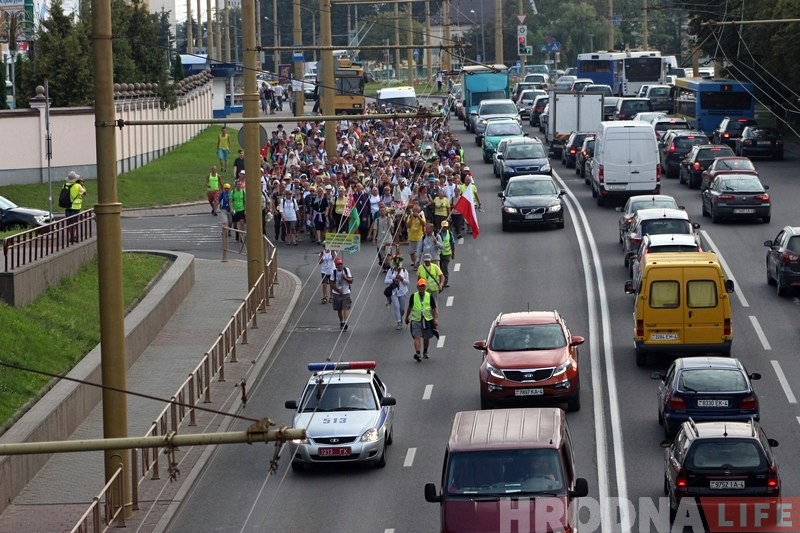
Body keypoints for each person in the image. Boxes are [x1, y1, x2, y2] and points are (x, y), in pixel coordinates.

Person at [404, 278, 438, 362]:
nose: (422, 288)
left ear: (426, 287)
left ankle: (425, 352)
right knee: (417, 337)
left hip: (427, 320)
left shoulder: (429, 296)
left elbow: (434, 309)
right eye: (420, 286)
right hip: (416, 320)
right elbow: (409, 308)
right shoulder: (413, 296)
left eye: (423, 286)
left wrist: (435, 319)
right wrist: (406, 317)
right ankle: (418, 353)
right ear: (417, 287)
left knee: (426, 337)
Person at [384, 255, 409, 330]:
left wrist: (402, 279)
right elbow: (386, 281)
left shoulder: (404, 271)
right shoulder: (390, 271)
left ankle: (400, 317)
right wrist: (393, 280)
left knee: (402, 309)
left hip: (402, 291)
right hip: (393, 292)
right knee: (396, 306)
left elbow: (407, 282)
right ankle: (399, 322)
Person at [330, 256, 353, 330]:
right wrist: (339, 291)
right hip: (337, 294)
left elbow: (351, 281)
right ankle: (341, 321)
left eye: (341, 264)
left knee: (345, 307)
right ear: (336, 265)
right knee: (339, 309)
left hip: (346, 292)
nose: (340, 265)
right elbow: (331, 284)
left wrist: (345, 278)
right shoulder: (334, 272)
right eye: (338, 264)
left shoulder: (346, 270)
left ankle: (345, 322)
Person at [369, 204, 394, 271]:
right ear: (379, 212)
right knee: (382, 256)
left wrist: (389, 222)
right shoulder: (377, 220)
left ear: (385, 211)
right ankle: (385, 267)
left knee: (388, 254)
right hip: (380, 240)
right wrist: (374, 239)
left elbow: (391, 229)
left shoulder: (389, 218)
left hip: (388, 239)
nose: (382, 212)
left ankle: (388, 266)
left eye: (383, 210)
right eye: (381, 211)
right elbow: (375, 230)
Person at [64, 171, 86, 243]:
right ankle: (72, 237)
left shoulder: (65, 185)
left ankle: (72, 236)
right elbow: (84, 193)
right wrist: (82, 185)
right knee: (74, 222)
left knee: (69, 222)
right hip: (75, 207)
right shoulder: (77, 186)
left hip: (67, 206)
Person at [438, 221, 456, 287]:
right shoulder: (438, 234)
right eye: (443, 227)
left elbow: (452, 243)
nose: (445, 228)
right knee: (440, 269)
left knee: (445, 268)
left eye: (446, 227)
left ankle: (445, 282)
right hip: (439, 254)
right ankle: (441, 281)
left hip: (447, 254)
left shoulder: (450, 234)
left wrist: (453, 253)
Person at [230, 173, 247, 241]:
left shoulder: (243, 192)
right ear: (236, 185)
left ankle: (241, 236)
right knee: (235, 225)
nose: (239, 186)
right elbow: (231, 201)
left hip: (241, 209)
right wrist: (231, 208)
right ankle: (237, 233)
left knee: (242, 222)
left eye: (240, 184)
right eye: (238, 184)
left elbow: (245, 201)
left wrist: (245, 209)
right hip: (235, 210)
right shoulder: (233, 192)